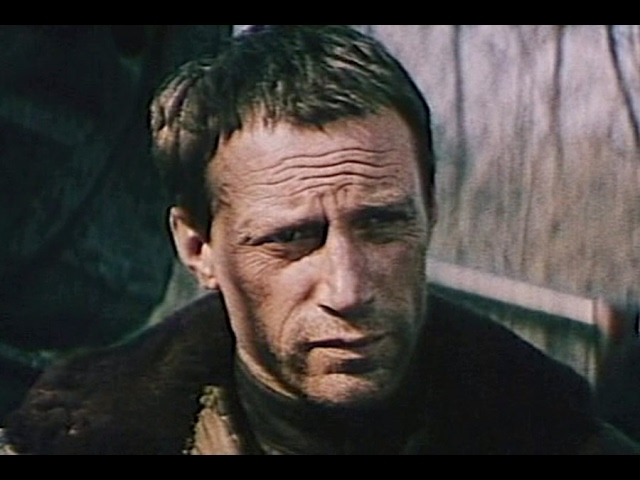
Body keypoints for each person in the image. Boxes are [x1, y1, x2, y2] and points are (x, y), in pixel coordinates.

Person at [1, 25, 638, 455]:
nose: (349, 288)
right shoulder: (79, 440)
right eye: (291, 239)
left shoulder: (560, 437)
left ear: (431, 210)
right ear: (198, 249)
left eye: (382, 224)